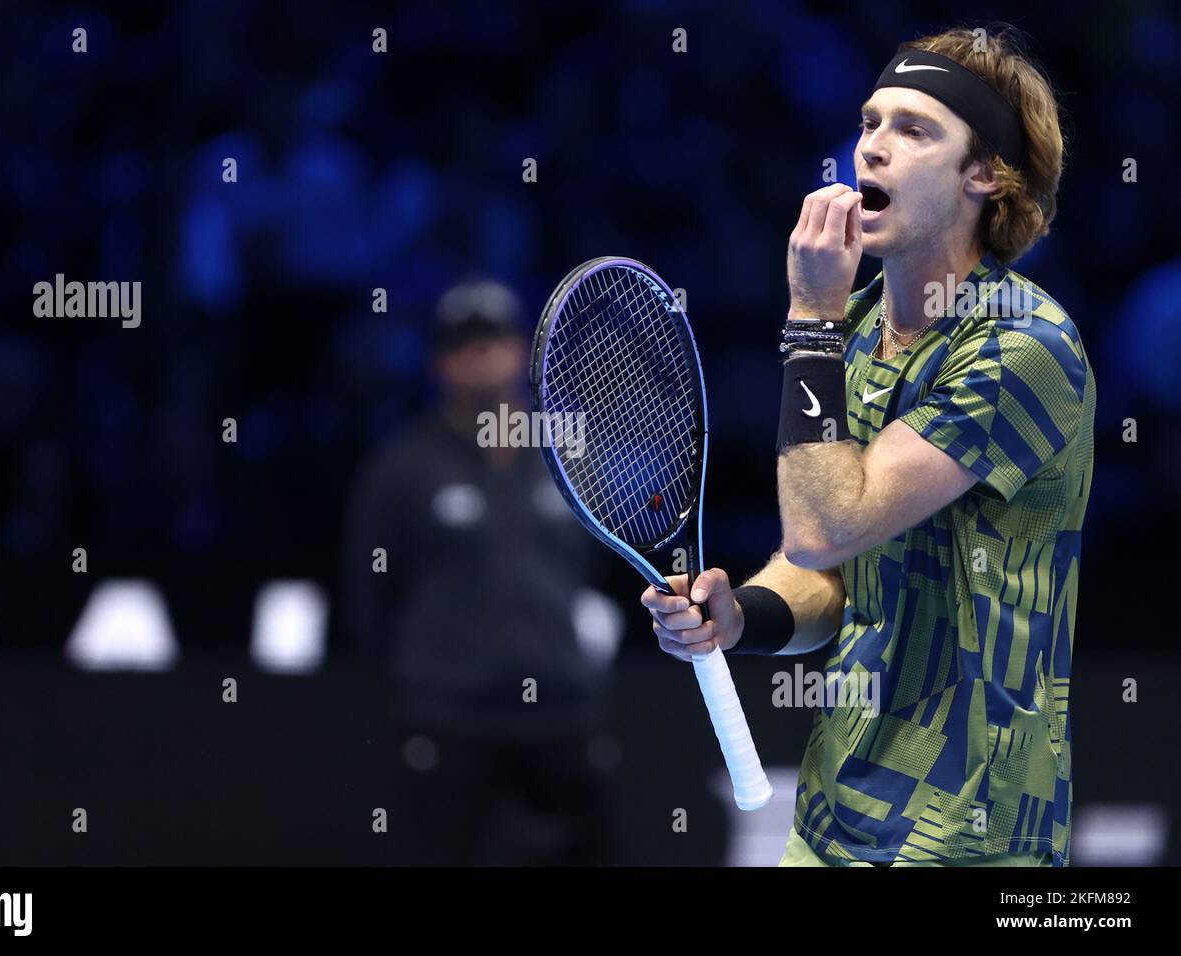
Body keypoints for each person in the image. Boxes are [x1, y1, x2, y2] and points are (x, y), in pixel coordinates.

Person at [643, 24, 1093, 866]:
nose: (872, 149)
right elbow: (825, 568)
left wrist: (807, 319)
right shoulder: (854, 328)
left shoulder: (1021, 347)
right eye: (869, 122)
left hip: (969, 829)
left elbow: (829, 523)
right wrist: (743, 614)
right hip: (835, 811)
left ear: (984, 174)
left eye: (913, 130)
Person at [345, 278, 617, 865]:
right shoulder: (401, 469)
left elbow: (599, 574)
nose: (480, 356)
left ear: (522, 350)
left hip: (561, 715)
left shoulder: (568, 453)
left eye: (493, 340)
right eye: (463, 344)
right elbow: (370, 602)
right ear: (439, 362)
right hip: (449, 720)